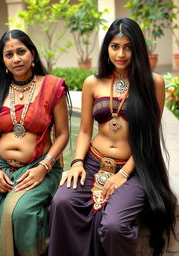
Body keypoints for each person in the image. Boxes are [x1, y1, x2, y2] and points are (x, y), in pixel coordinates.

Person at [48, 18, 177, 256]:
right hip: (93, 162)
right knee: (62, 203)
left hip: (135, 168)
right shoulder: (92, 83)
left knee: (114, 226)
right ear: (106, 48)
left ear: (137, 49)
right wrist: (77, 162)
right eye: (115, 46)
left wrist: (124, 174)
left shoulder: (153, 83)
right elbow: (85, 130)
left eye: (128, 47)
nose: (121, 54)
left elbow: (149, 138)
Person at [0, 29, 70, 256]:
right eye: (8, 54)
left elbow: (62, 134)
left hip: (39, 166)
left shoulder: (51, 86)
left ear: (32, 54)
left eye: (21, 52)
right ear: (2, 60)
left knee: (20, 212)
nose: (16, 59)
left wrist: (44, 167)